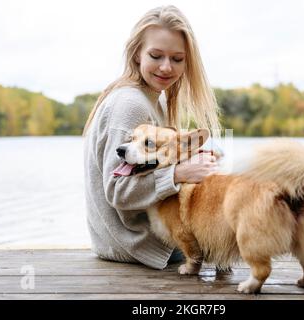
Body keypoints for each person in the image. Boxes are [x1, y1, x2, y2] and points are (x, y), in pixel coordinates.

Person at [83, 5, 221, 269]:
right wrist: (179, 173)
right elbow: (117, 191)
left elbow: (149, 166)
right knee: (234, 237)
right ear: (137, 54)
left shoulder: (151, 98)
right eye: (156, 55)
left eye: (178, 59)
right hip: (135, 243)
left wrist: (190, 160)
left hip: (133, 239)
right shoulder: (130, 103)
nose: (166, 67)